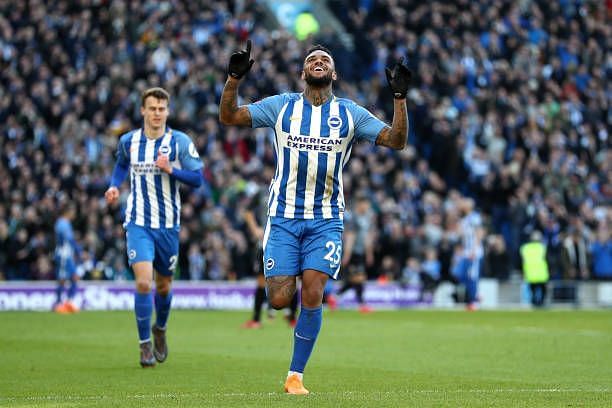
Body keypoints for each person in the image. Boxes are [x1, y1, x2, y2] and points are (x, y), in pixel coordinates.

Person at [219, 41, 411, 394]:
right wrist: (233, 78)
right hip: (283, 216)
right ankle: (280, 284)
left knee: (312, 291)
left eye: (325, 59)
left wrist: (399, 100)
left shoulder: (350, 114)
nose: (318, 61)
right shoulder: (282, 106)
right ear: (302, 73)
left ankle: (295, 376)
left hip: (326, 219)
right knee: (279, 298)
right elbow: (229, 116)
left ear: (334, 73)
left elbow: (396, 140)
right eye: (312, 59)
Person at [104, 87, 203, 367]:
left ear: (167, 112)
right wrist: (113, 186)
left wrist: (171, 169)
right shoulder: (129, 141)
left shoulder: (179, 142)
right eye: (152, 108)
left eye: (162, 109)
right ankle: (144, 344)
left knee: (163, 286)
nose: (157, 113)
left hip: (168, 225)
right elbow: (121, 165)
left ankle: (160, 329)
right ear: (143, 111)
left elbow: (197, 179)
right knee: (144, 282)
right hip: (138, 222)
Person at [242, 184, 298, 329]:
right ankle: (256, 320)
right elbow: (247, 211)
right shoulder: (262, 192)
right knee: (261, 281)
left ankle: (292, 318)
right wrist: (255, 229)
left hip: (287, 243)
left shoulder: (293, 189)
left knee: (293, 279)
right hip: (266, 244)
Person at [337, 193, 375, 313]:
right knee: (359, 278)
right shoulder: (353, 218)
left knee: (355, 279)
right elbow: (350, 237)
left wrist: (369, 253)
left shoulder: (367, 218)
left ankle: (335, 296)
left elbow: (367, 237)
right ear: (360, 204)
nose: (367, 207)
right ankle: (362, 304)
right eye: (365, 204)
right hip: (353, 253)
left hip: (360, 252)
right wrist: (347, 255)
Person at [453, 198, 484, 311]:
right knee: (458, 274)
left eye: (464, 203)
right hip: (465, 252)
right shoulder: (464, 219)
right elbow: (460, 236)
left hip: (474, 252)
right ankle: (476, 295)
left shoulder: (474, 217)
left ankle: (474, 302)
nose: (461, 204)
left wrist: (474, 250)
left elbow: (479, 232)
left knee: (472, 276)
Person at [53, 204, 81, 313]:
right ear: (67, 212)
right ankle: (60, 303)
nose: (74, 214)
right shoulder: (63, 223)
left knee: (71, 277)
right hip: (63, 255)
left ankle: (67, 302)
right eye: (73, 211)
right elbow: (68, 239)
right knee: (64, 279)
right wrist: (78, 250)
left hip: (66, 254)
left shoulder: (62, 223)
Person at [520, 230, 549, 307]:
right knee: (543, 290)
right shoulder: (543, 247)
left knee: (532, 290)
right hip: (541, 273)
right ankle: (541, 303)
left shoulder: (525, 248)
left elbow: (522, 261)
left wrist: (523, 272)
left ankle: (534, 302)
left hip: (530, 273)